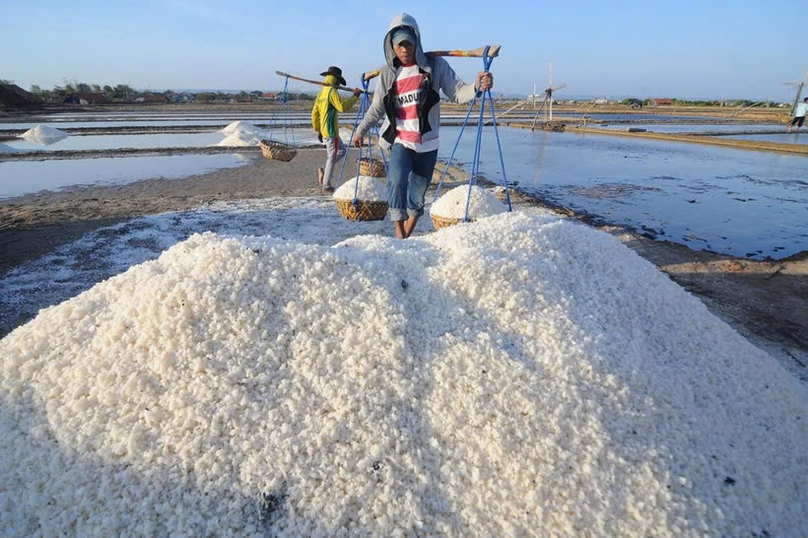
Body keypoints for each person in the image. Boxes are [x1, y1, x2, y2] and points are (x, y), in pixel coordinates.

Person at [352, 13, 493, 239]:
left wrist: (477, 85)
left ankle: (407, 233)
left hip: (427, 143)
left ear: (417, 42)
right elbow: (377, 108)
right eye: (399, 45)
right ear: (391, 47)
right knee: (397, 180)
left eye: (408, 43)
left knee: (418, 193)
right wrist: (360, 131)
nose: (404, 49)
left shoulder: (434, 66)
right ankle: (399, 231)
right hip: (400, 139)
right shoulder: (388, 74)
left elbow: (457, 92)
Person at [311, 66, 361, 192]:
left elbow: (314, 113)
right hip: (331, 131)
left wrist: (318, 129)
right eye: (338, 80)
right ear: (336, 79)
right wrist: (355, 96)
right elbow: (342, 107)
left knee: (342, 152)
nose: (339, 83)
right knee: (332, 157)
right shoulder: (332, 91)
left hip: (326, 130)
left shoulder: (321, 92)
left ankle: (324, 170)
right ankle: (326, 185)